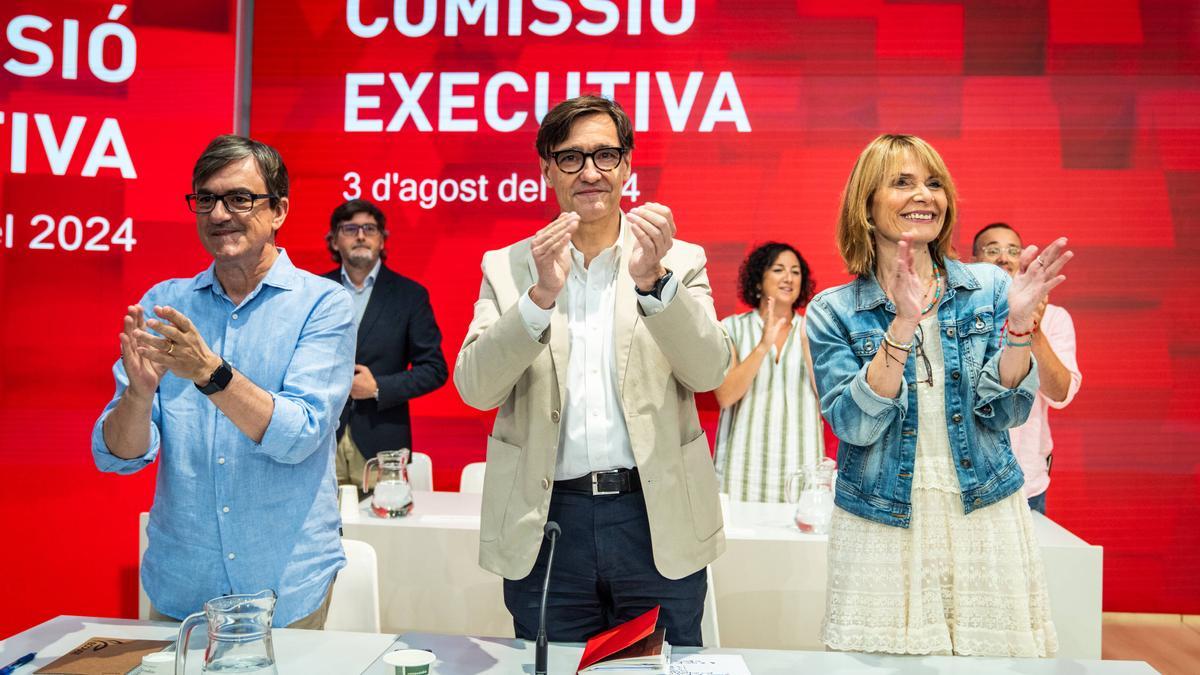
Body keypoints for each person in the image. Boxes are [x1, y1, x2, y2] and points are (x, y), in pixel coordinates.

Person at [454, 95, 731, 647]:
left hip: (654, 516)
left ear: (628, 166)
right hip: (549, 520)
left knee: (662, 666)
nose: (590, 172)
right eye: (571, 158)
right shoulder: (508, 265)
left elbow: (708, 371)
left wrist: (655, 284)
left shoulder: (678, 260)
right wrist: (538, 298)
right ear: (546, 169)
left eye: (606, 156)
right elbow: (476, 389)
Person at [805, 134, 1071, 656]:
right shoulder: (832, 310)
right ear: (866, 205)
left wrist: (1020, 331)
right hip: (881, 518)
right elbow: (854, 427)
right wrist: (902, 325)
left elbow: (1010, 411)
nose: (924, 194)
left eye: (933, 184)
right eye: (902, 183)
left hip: (984, 509)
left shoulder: (991, 288)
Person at [91, 135, 356, 628]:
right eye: (206, 199)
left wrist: (211, 375)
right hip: (183, 585)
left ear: (278, 211)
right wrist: (138, 393)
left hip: (285, 585)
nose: (218, 214)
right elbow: (119, 456)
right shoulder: (165, 304)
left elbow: (299, 435)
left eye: (239, 198)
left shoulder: (324, 304)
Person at [321, 199, 448, 492]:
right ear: (334, 240)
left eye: (369, 228)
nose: (361, 235)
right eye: (350, 228)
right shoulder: (314, 291)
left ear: (382, 239)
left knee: (383, 535)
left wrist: (377, 387)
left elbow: (434, 369)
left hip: (383, 444)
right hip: (321, 439)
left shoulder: (410, 295)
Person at [973, 223, 1081, 514]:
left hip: (1025, 487)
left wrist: (1032, 330)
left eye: (1012, 251)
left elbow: (1060, 394)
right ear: (973, 263)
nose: (1003, 258)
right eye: (992, 250)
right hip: (967, 484)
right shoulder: (958, 317)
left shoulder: (1055, 318)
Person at [713, 242, 824, 502]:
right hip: (741, 472)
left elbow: (829, 399)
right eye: (778, 269)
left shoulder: (815, 331)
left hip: (801, 470)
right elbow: (726, 395)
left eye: (796, 272)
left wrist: (810, 346)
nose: (788, 278)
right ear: (759, 281)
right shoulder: (730, 328)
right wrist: (763, 346)